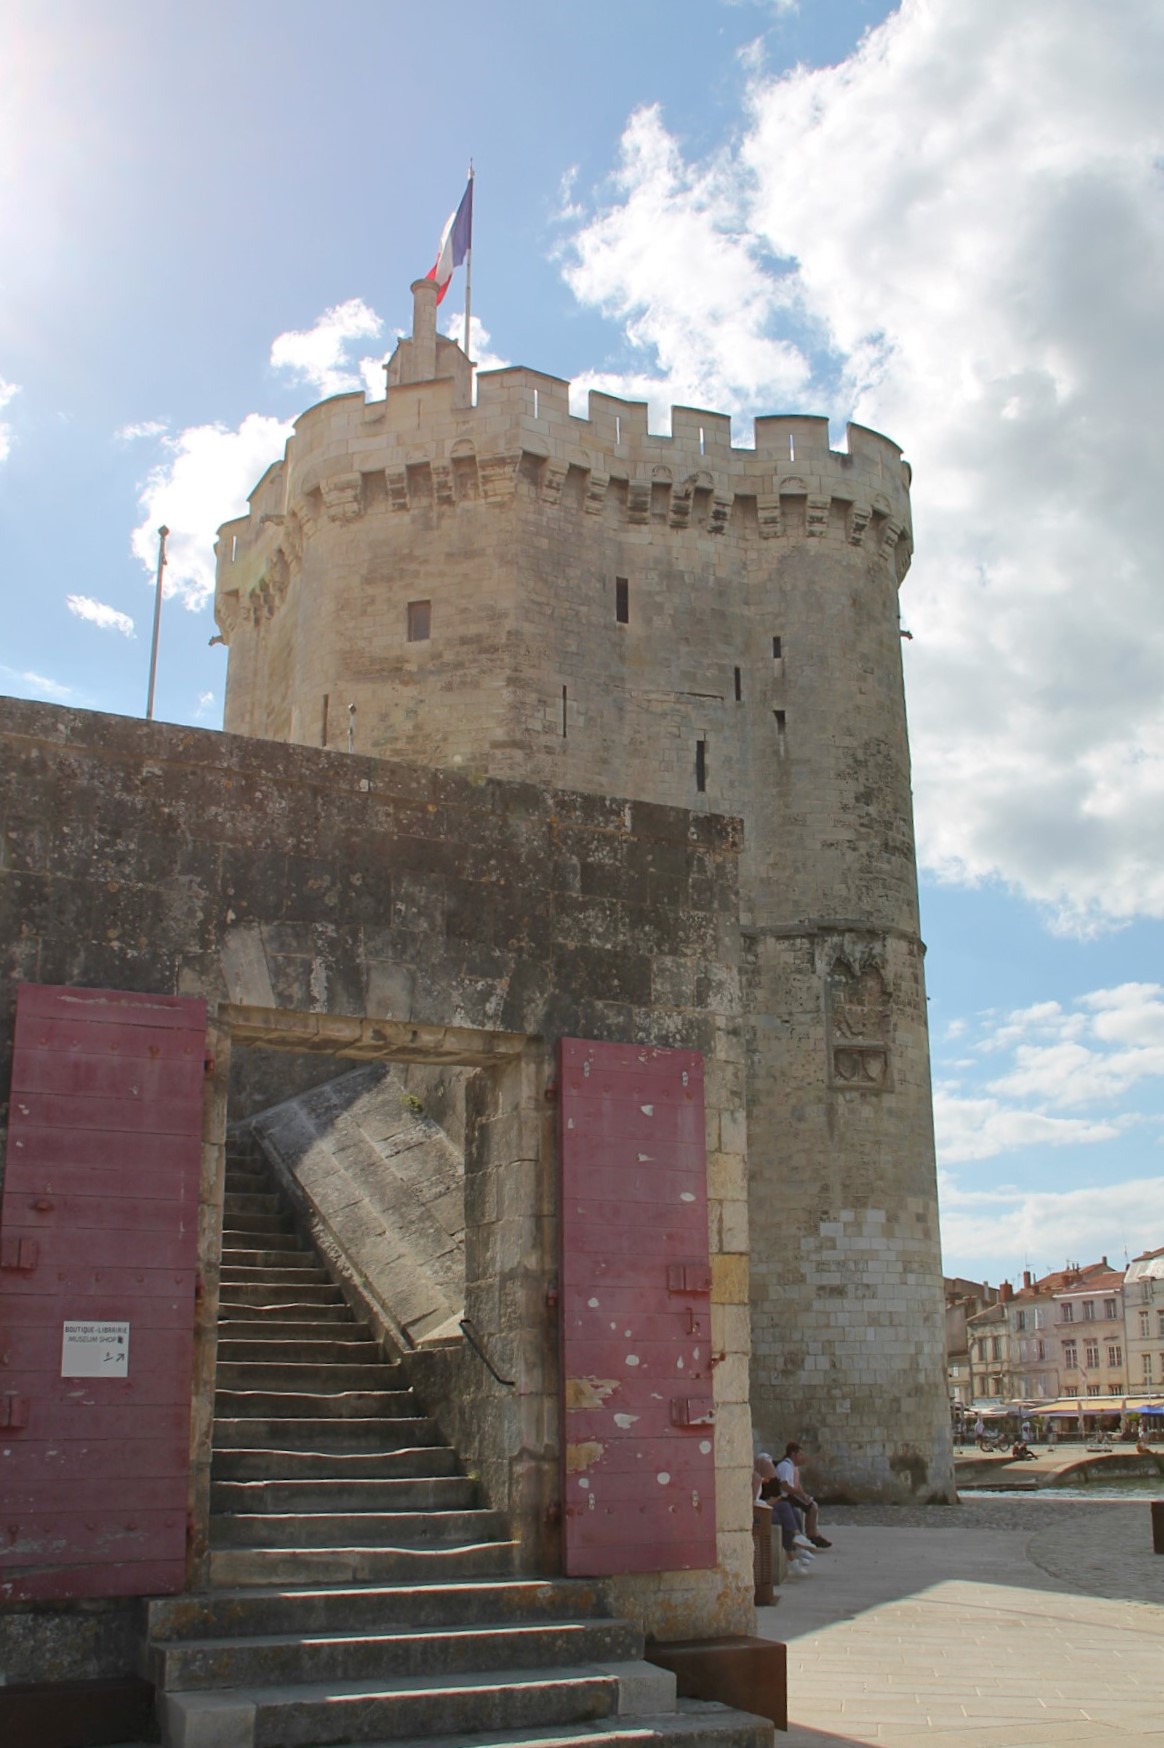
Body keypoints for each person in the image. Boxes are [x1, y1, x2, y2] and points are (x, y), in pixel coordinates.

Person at [753, 1455, 815, 1576]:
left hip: (761, 1509)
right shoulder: (755, 1479)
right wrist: (773, 1500)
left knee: (788, 1508)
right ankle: (793, 1553)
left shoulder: (758, 1479)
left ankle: (797, 1540)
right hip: (756, 1513)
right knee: (782, 1517)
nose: (768, 1480)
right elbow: (754, 1504)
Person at [775, 1442, 832, 1548]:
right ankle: (812, 1536)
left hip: (790, 1494)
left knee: (812, 1504)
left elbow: (797, 1483)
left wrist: (803, 1495)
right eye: (800, 1454)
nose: (802, 1457)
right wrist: (799, 1494)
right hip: (785, 1496)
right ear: (793, 1454)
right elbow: (784, 1486)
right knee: (811, 1507)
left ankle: (812, 1533)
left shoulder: (792, 1466)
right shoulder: (785, 1466)